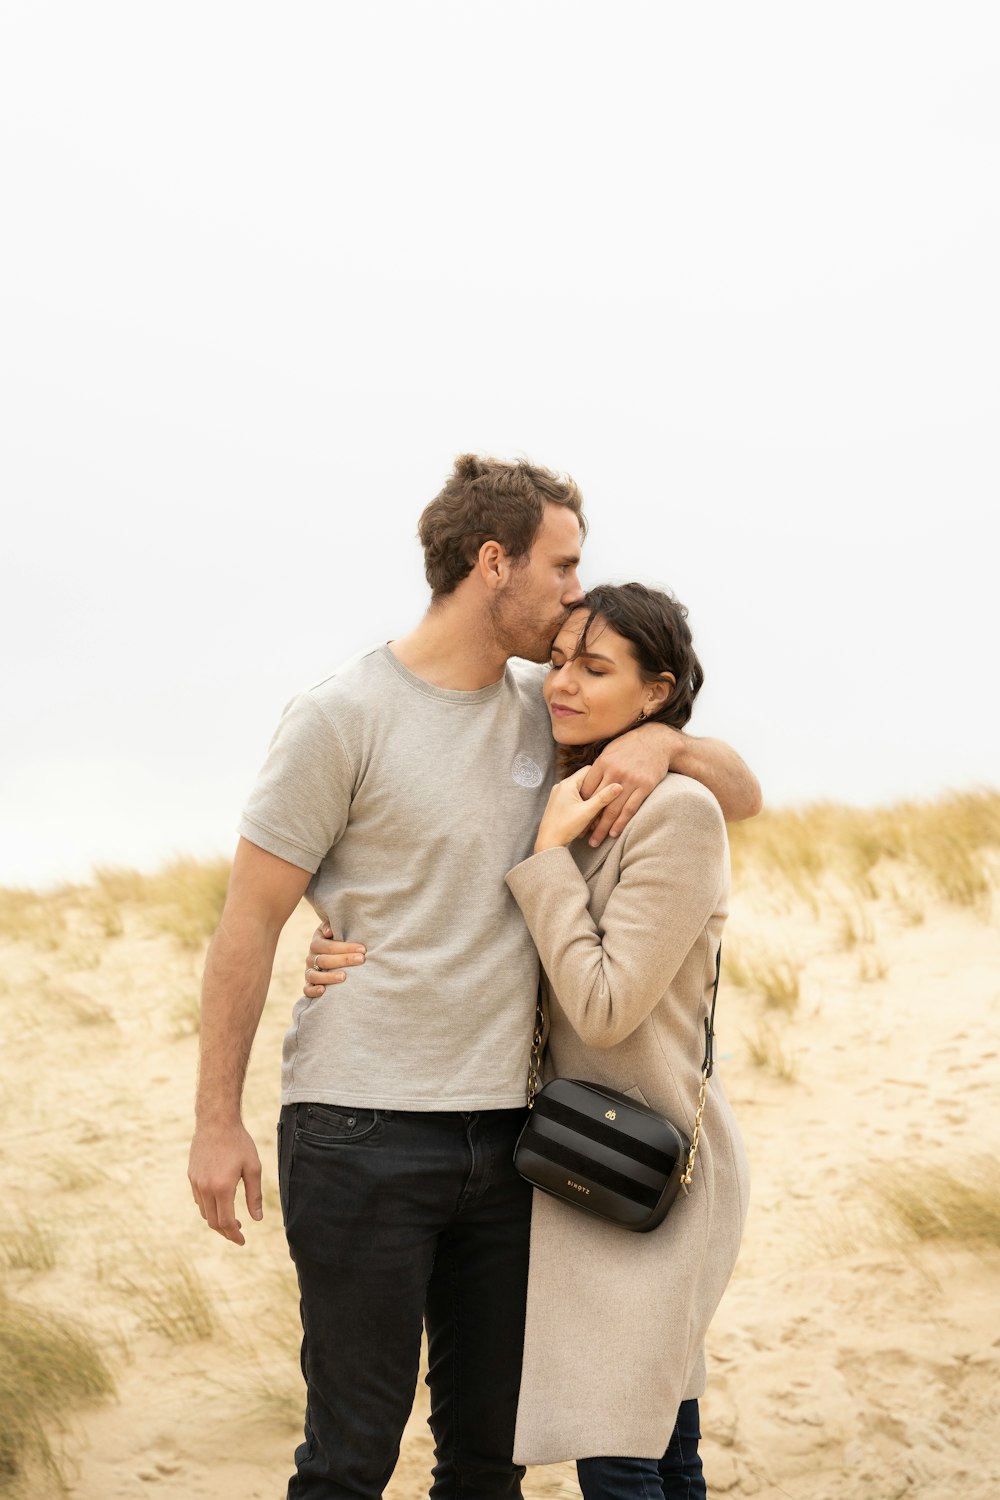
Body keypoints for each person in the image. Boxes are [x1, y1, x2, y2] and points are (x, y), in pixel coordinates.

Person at [188, 454, 760, 1500]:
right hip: (359, 1127)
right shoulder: (340, 715)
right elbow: (249, 923)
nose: (576, 596)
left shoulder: (552, 706)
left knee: (486, 1466)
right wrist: (215, 1120)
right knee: (351, 1453)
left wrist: (667, 747)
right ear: (493, 562)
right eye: (563, 568)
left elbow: (744, 790)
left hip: (512, 1142)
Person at [307, 580, 749, 1498]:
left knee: (622, 1450)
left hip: (647, 1157)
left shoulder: (673, 811)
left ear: (655, 692)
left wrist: (550, 857)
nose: (563, 684)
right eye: (558, 662)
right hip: (570, 1155)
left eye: (595, 670)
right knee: (655, 1434)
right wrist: (348, 941)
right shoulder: (568, 787)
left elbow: (605, 1006)